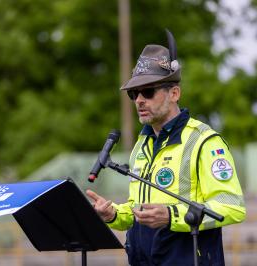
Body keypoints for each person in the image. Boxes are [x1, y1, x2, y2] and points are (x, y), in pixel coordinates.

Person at [86, 30, 246, 266]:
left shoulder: (205, 141)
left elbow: (232, 207)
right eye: (134, 93)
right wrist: (114, 215)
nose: (139, 100)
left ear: (174, 93)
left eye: (148, 91)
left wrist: (172, 216)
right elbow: (138, 211)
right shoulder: (142, 144)